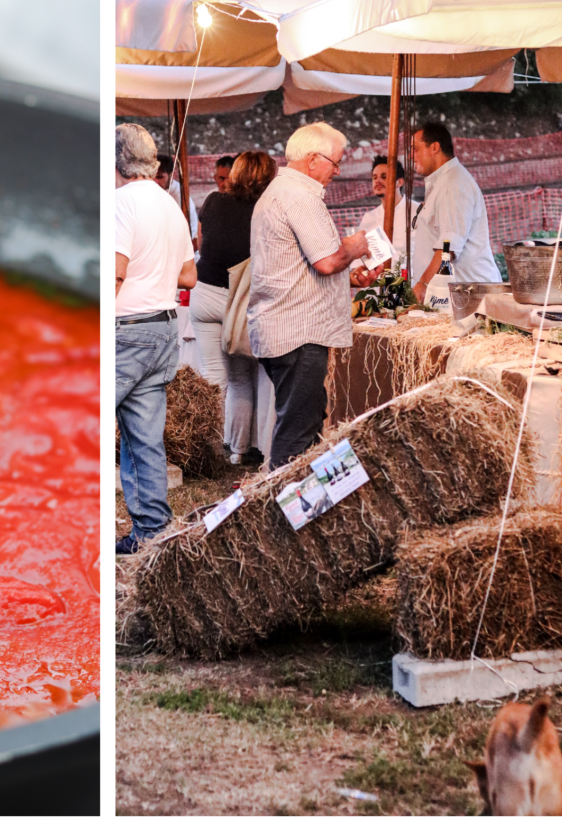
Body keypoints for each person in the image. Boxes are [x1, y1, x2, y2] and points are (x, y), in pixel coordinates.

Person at [248, 122, 379, 469]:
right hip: (298, 332)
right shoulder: (299, 196)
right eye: (334, 162)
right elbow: (326, 261)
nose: (337, 170)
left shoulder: (282, 192)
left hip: (286, 327)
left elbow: (298, 267)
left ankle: (295, 510)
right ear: (312, 159)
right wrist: (352, 248)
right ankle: (282, 514)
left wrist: (350, 278)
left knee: (302, 421)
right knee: (298, 433)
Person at [115, 124, 197, 555]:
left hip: (125, 330)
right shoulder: (169, 206)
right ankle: (152, 533)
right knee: (144, 436)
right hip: (164, 328)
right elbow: (189, 275)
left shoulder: (120, 203)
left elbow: (114, 272)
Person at [189, 151, 275, 465]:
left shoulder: (212, 201)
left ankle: (206, 452)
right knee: (241, 378)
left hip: (203, 293)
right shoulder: (267, 213)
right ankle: (238, 452)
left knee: (213, 376)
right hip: (240, 302)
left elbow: (201, 242)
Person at [410, 121, 501, 302]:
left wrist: (422, 286)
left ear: (434, 147)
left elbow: (448, 247)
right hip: (457, 295)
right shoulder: (444, 181)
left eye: (415, 149)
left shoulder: (453, 184)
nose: (412, 156)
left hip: (471, 297)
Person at [356, 154, 418, 260]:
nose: (378, 181)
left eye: (384, 177)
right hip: (377, 276)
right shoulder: (369, 218)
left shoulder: (417, 212)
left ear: (399, 182)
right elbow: (359, 257)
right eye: (374, 177)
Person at [154, 153, 199, 247]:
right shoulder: (156, 191)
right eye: (152, 177)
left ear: (171, 174)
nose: (156, 182)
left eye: (160, 177)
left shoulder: (179, 196)